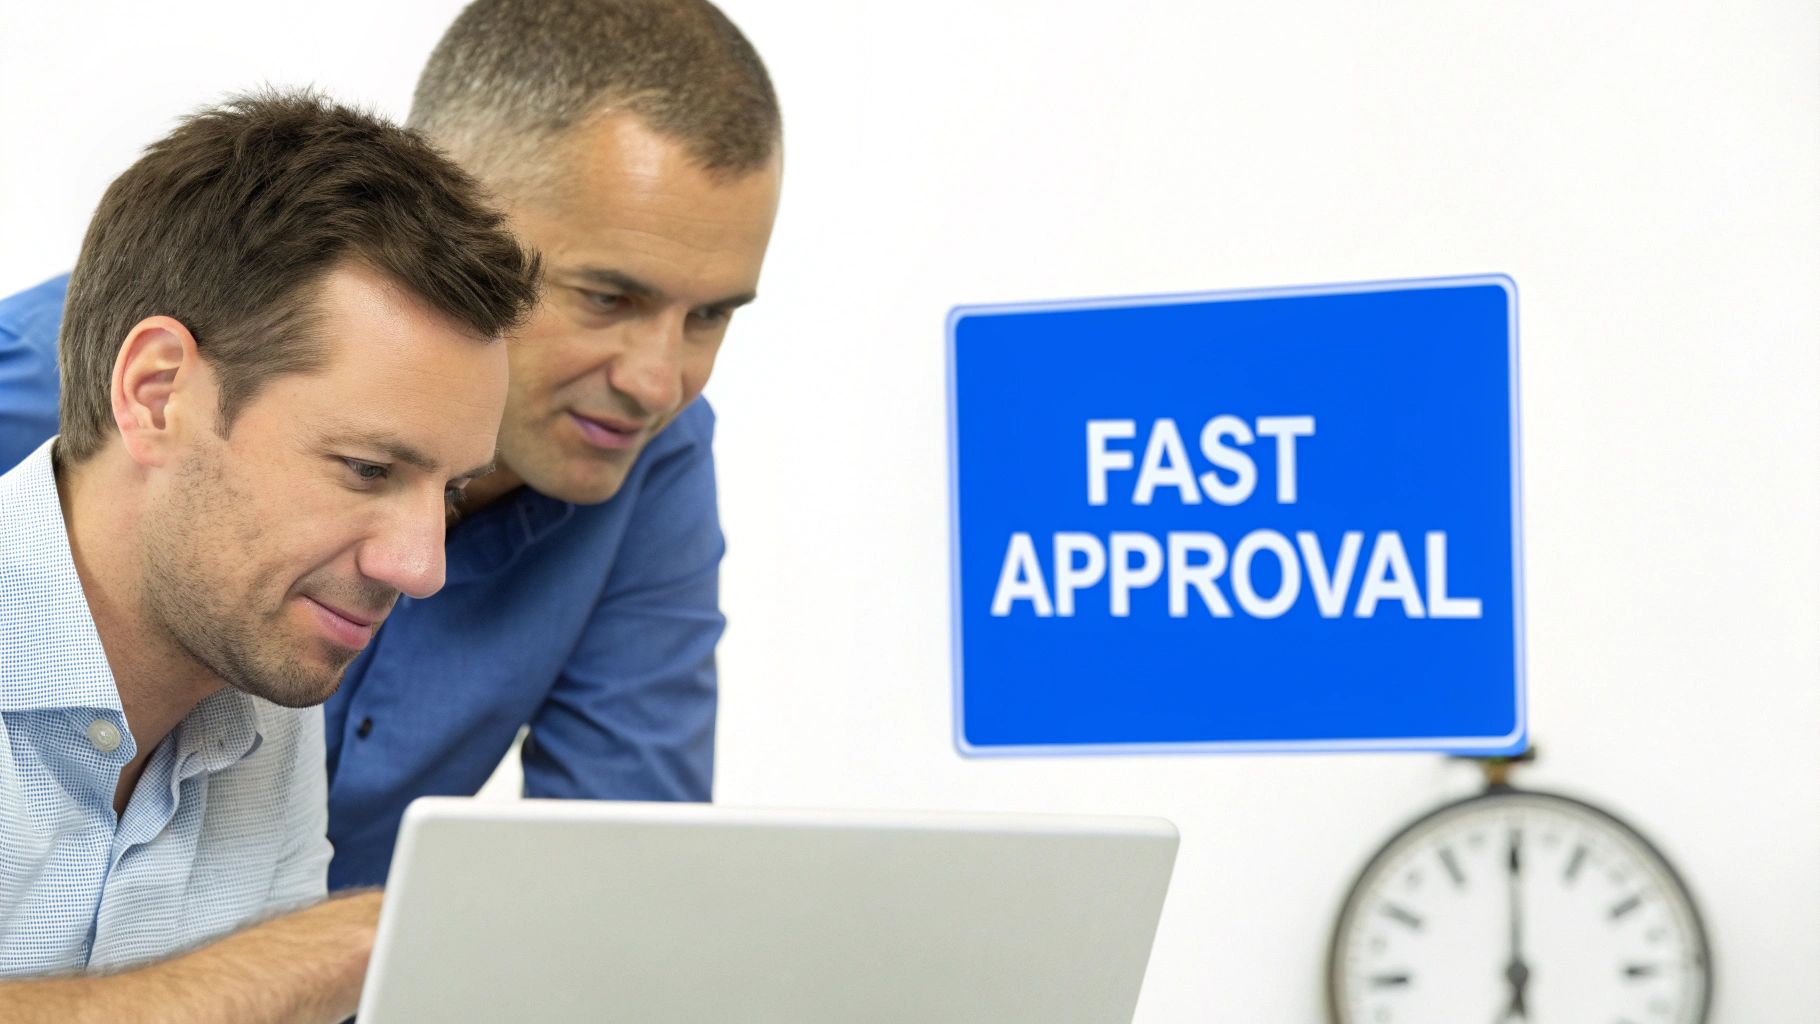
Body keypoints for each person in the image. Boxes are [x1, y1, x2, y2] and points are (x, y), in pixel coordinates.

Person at [0, 0, 785, 892]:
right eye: (606, 296)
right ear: (452, 224)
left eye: (711, 315)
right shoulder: (51, 391)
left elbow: (626, 890)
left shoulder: (646, 450)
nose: (657, 382)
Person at [0, 91, 540, 1022]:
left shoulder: (258, 666)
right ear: (158, 392)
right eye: (368, 469)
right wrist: (319, 955)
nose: (421, 568)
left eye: (448, 492)